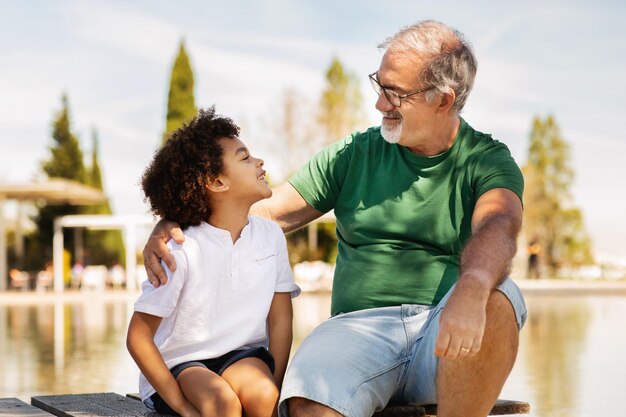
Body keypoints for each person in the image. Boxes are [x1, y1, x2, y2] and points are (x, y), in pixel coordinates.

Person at [143, 20, 527, 417]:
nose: (379, 103)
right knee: (308, 404)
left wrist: (474, 284)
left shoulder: (486, 160)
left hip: (444, 335)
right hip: (356, 335)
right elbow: (260, 213)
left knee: (498, 297)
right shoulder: (353, 154)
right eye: (379, 85)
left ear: (442, 100)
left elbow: (498, 224)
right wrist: (179, 220)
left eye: (394, 93)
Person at [127, 107, 300, 417]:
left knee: (262, 396)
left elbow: (280, 320)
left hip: (244, 357)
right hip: (183, 364)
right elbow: (138, 338)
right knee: (222, 405)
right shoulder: (179, 248)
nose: (260, 162)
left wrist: (272, 394)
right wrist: (181, 406)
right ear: (217, 182)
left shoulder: (271, 236)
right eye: (245, 158)